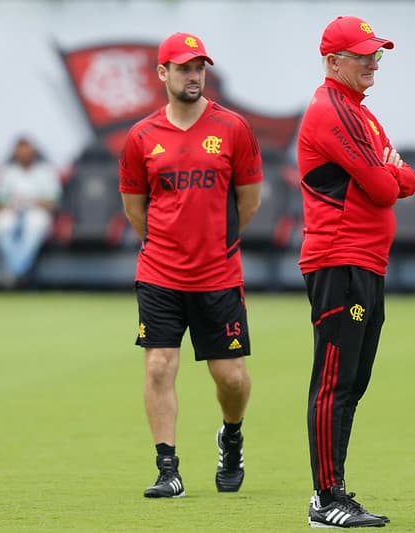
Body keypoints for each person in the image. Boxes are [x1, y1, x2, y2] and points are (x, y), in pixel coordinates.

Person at [119, 32, 263, 499]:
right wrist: (166, 246)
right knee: (159, 366)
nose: (193, 75)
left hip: (218, 276)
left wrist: (209, 246)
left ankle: (232, 436)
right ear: (163, 73)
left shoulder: (234, 128)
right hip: (159, 273)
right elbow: (135, 209)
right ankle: (168, 469)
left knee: (231, 378)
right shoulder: (141, 137)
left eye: (199, 67)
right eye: (183, 67)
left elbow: (249, 202)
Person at [296, 16, 415, 528]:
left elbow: (406, 179)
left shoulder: (361, 115)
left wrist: (389, 170)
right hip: (339, 259)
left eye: (377, 54)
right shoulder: (332, 111)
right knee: (335, 381)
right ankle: (326, 498)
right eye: (363, 54)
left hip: (365, 261)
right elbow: (389, 186)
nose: (372, 62)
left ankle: (335, 490)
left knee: (354, 380)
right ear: (333, 62)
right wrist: (388, 170)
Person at [0, 136, 62, 287]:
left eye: (27, 152)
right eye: (21, 152)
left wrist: (32, 201)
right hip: (11, 211)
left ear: (34, 153)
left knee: (35, 224)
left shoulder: (45, 171)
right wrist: (12, 204)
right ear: (15, 154)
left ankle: (12, 272)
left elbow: (53, 202)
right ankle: (19, 272)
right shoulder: (7, 172)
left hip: (37, 211)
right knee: (2, 225)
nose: (24, 155)